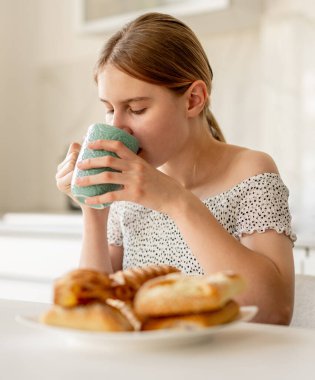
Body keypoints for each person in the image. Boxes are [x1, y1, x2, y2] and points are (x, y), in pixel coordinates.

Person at [55, 12, 296, 324]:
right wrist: (93, 210)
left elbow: (274, 312)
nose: (118, 127)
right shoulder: (127, 192)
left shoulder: (251, 171)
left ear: (193, 99)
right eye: (109, 109)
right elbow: (97, 311)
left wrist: (175, 200)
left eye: (136, 109)